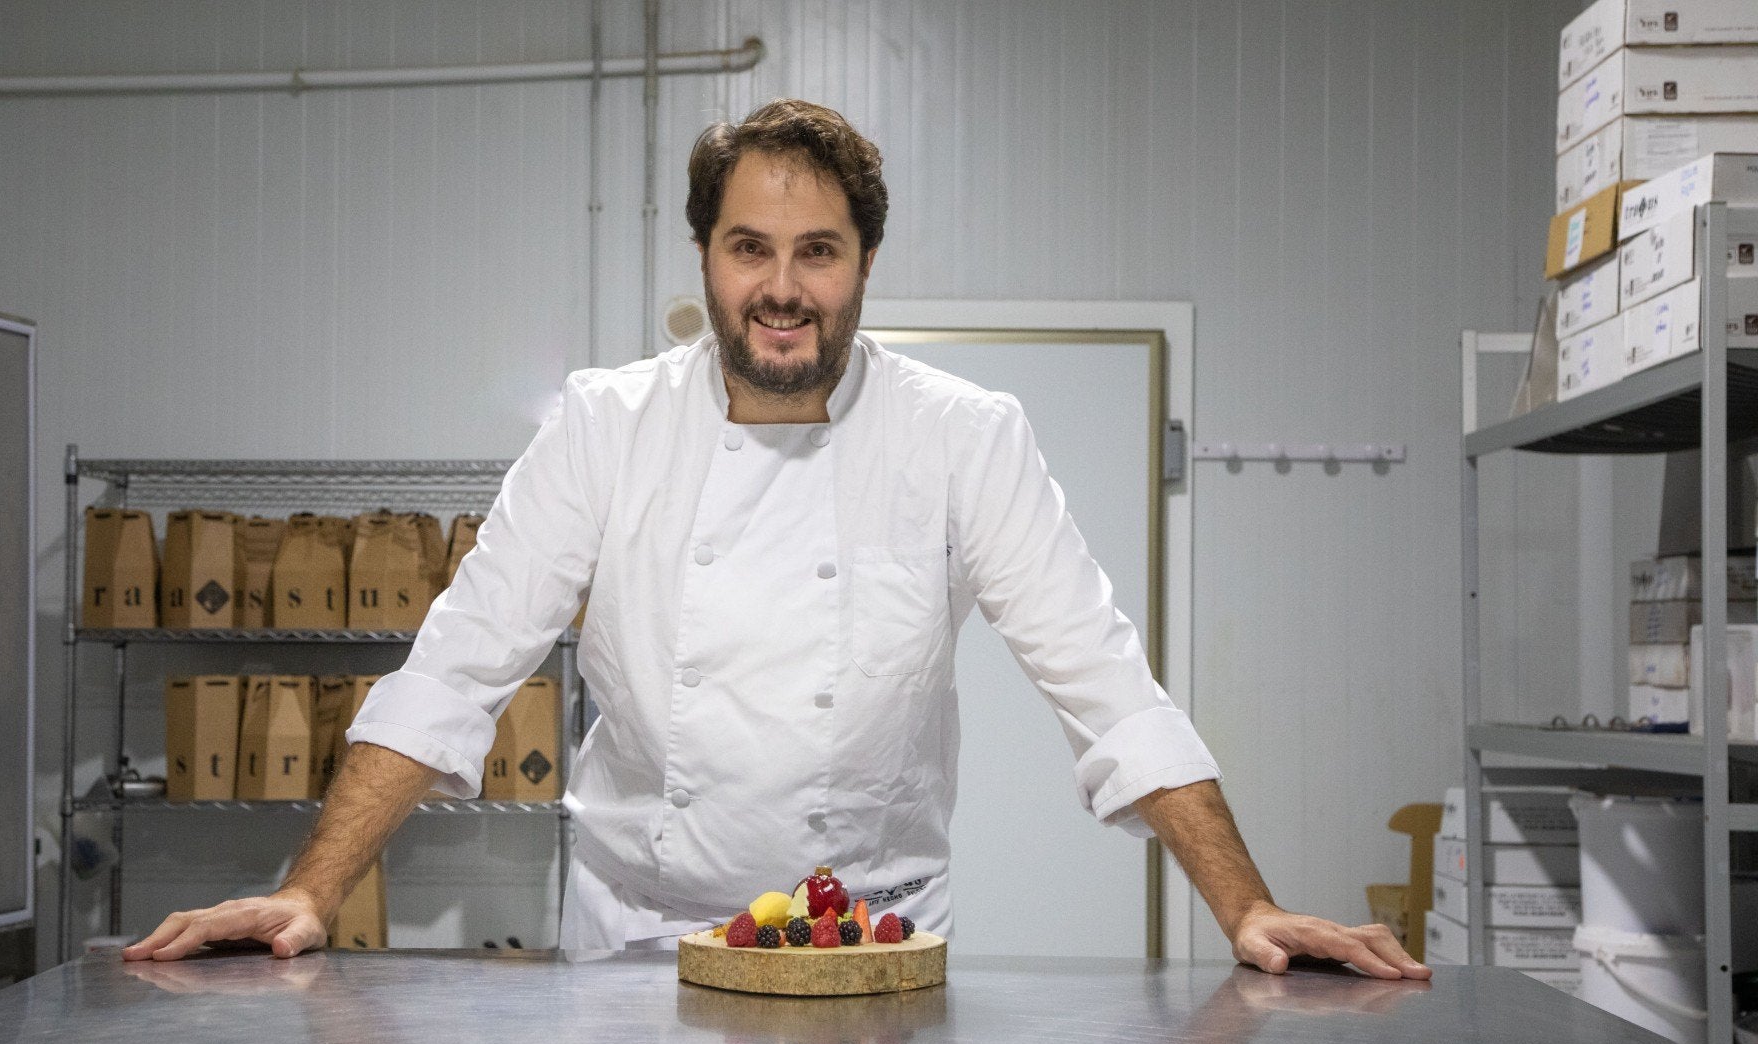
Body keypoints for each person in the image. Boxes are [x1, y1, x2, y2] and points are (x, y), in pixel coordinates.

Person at [125, 99, 1429, 981]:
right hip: (637, 955)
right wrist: (308, 890)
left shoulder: (962, 436)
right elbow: (455, 668)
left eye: (819, 250)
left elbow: (1105, 683)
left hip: (874, 962)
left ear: (865, 263)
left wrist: (1244, 907)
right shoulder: (606, 426)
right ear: (706, 255)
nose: (785, 287)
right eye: (751, 247)